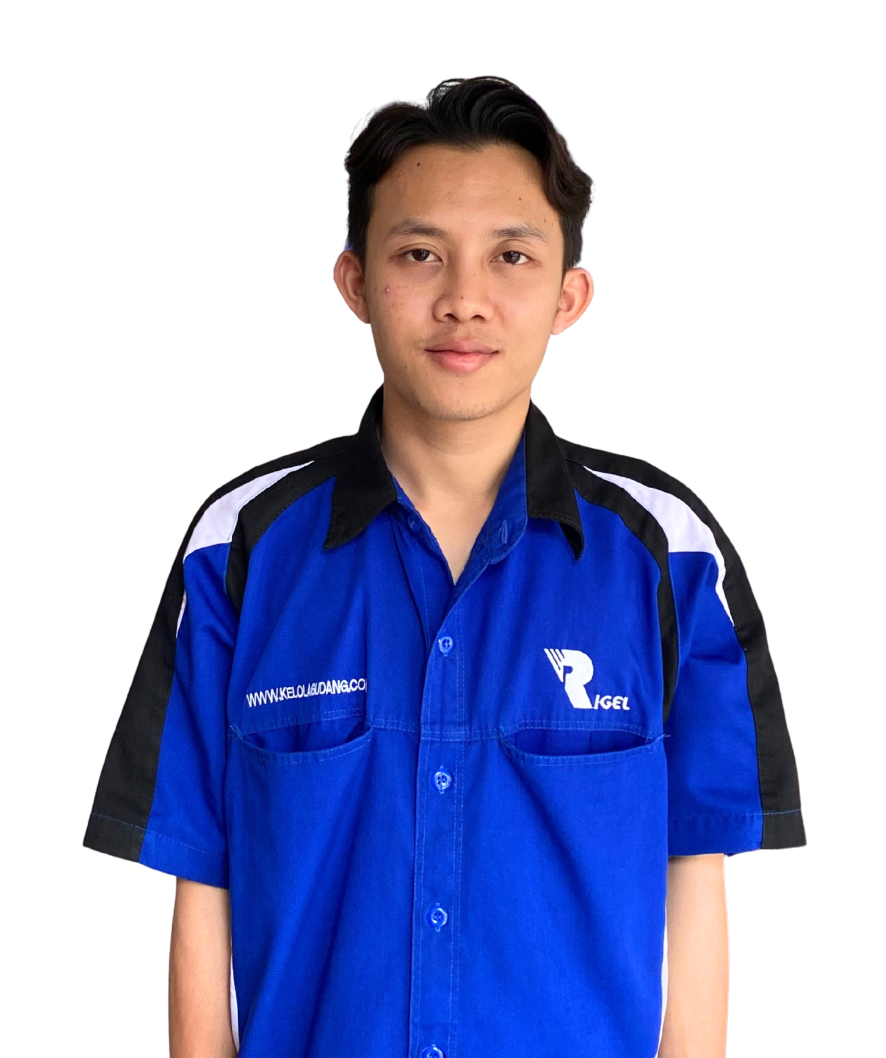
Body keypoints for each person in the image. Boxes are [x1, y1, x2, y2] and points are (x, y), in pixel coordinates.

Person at [83, 75, 806, 1058]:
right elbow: (201, 874)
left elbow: (696, 874)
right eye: (420, 253)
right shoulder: (240, 550)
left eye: (511, 256)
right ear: (355, 281)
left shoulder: (667, 558)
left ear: (568, 295)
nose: (464, 299)